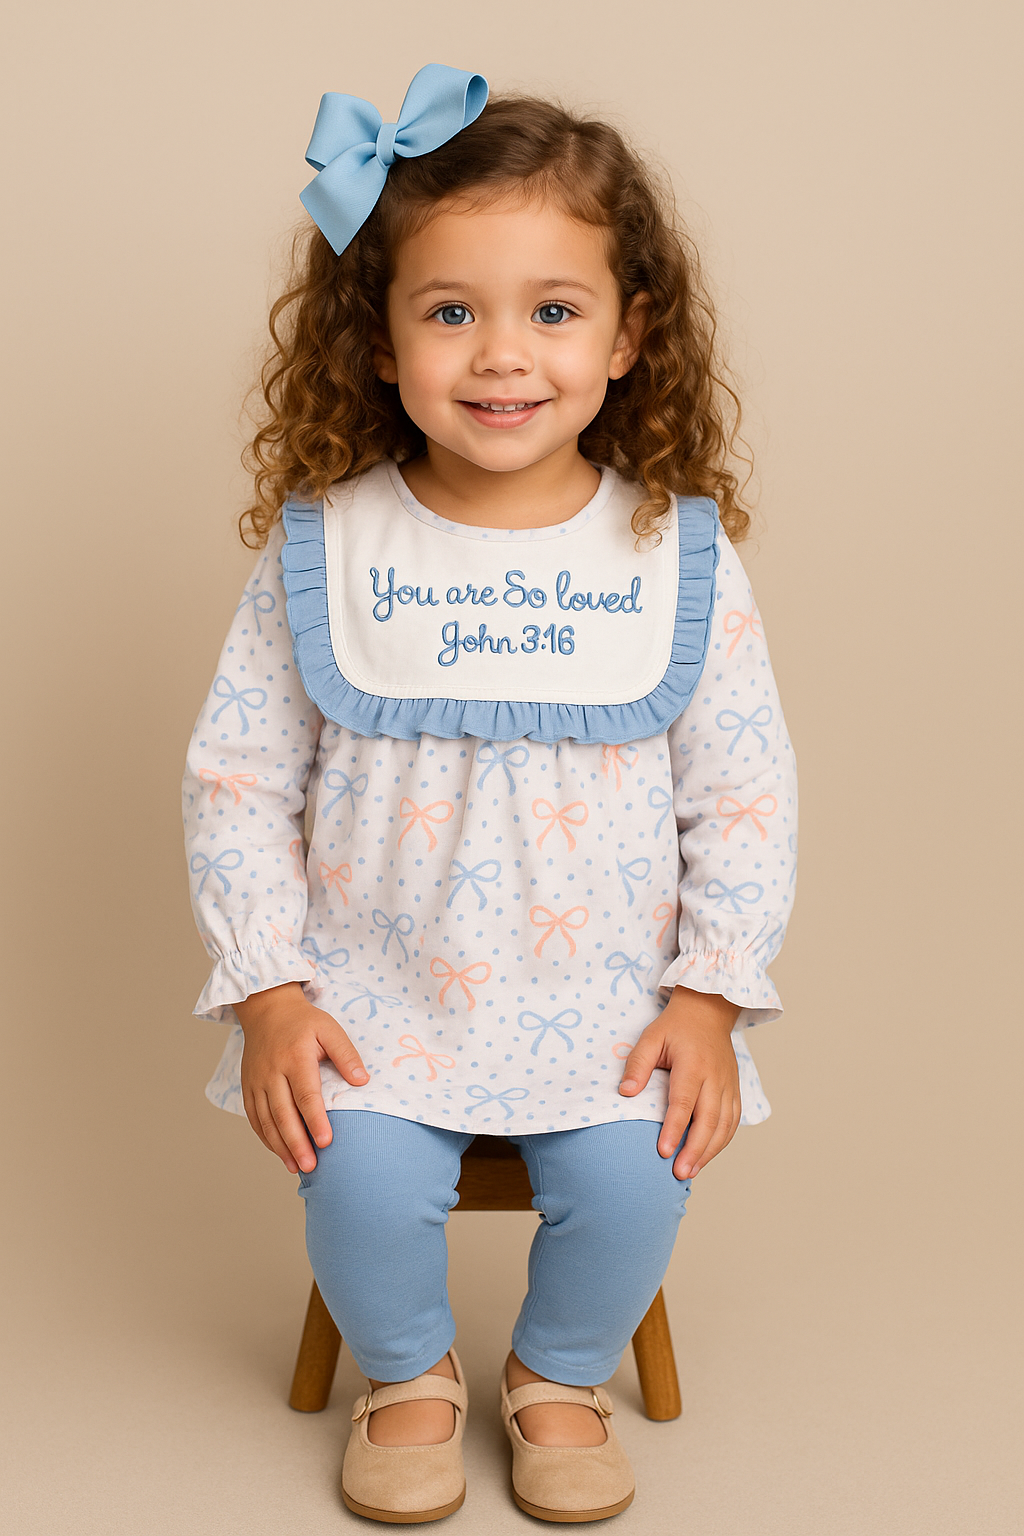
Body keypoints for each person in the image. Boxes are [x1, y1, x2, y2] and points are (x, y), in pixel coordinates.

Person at [182, 63, 798, 1525]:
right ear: (378, 343)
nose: (501, 354)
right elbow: (237, 778)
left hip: (607, 1002)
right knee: (351, 1172)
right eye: (450, 310)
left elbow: (747, 798)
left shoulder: (672, 558)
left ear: (630, 335)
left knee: (643, 1177)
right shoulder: (329, 550)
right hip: (374, 995)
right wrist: (271, 988)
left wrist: (707, 996)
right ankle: (405, 1376)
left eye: (554, 310)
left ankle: (559, 1374)